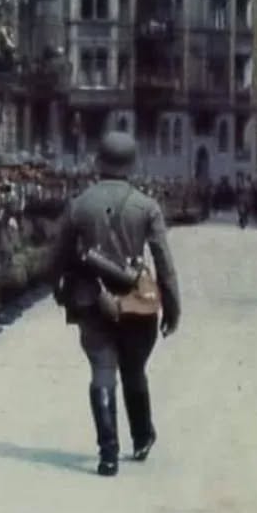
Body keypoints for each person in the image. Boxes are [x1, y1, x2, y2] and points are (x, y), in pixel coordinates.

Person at [50, 131, 181, 477]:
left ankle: (107, 453)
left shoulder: (79, 204)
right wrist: (171, 306)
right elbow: (164, 262)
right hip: (136, 303)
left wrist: (58, 290)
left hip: (91, 301)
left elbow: (58, 256)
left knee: (102, 371)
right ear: (132, 164)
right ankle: (141, 437)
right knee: (134, 369)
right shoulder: (147, 206)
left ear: (99, 162)